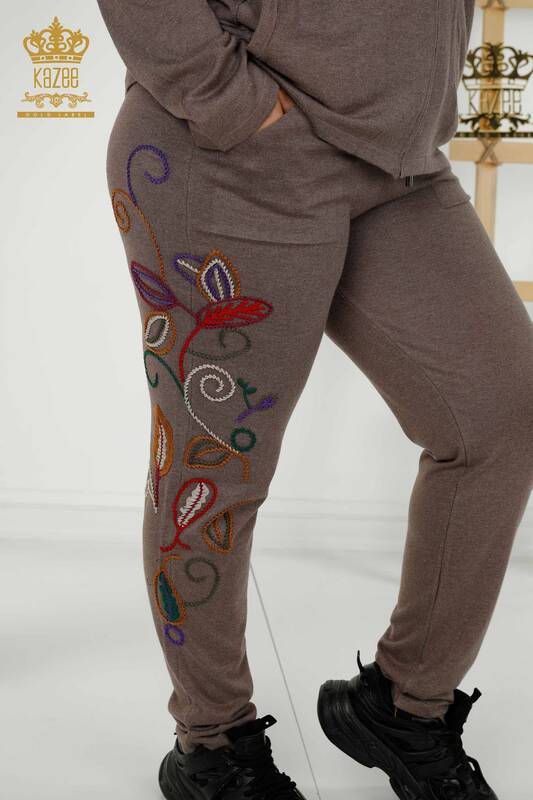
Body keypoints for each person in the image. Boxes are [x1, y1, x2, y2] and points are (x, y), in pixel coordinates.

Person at [96, 2, 533, 799]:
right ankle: (214, 745)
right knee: (215, 467)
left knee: (501, 411)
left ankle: (405, 706)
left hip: (398, 158)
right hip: (231, 158)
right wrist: (227, 99)